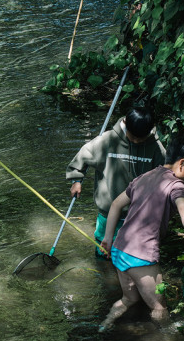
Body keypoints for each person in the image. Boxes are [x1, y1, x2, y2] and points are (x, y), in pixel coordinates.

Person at [99, 134, 184, 329]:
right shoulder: (176, 185)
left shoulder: (144, 177)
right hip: (140, 256)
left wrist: (107, 238)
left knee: (129, 298)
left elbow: (115, 205)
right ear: (182, 163)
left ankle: (104, 326)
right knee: (159, 308)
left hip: (119, 248)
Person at [66, 104, 165, 254]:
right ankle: (104, 274)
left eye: (141, 138)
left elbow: (165, 175)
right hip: (107, 211)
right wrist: (76, 180)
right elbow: (83, 155)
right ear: (125, 124)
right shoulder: (107, 140)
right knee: (103, 249)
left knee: (132, 255)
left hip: (138, 214)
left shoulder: (156, 148)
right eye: (133, 137)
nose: (137, 141)